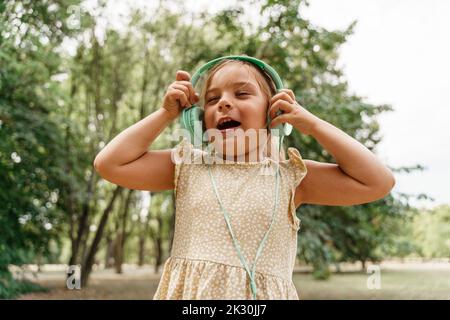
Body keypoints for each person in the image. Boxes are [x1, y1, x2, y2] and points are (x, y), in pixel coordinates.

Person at [93, 56, 395, 300]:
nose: (223, 103)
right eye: (212, 100)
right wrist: (164, 114)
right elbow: (110, 164)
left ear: (272, 113)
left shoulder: (290, 177)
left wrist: (311, 123)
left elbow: (378, 181)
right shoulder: (187, 166)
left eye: (241, 93)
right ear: (198, 120)